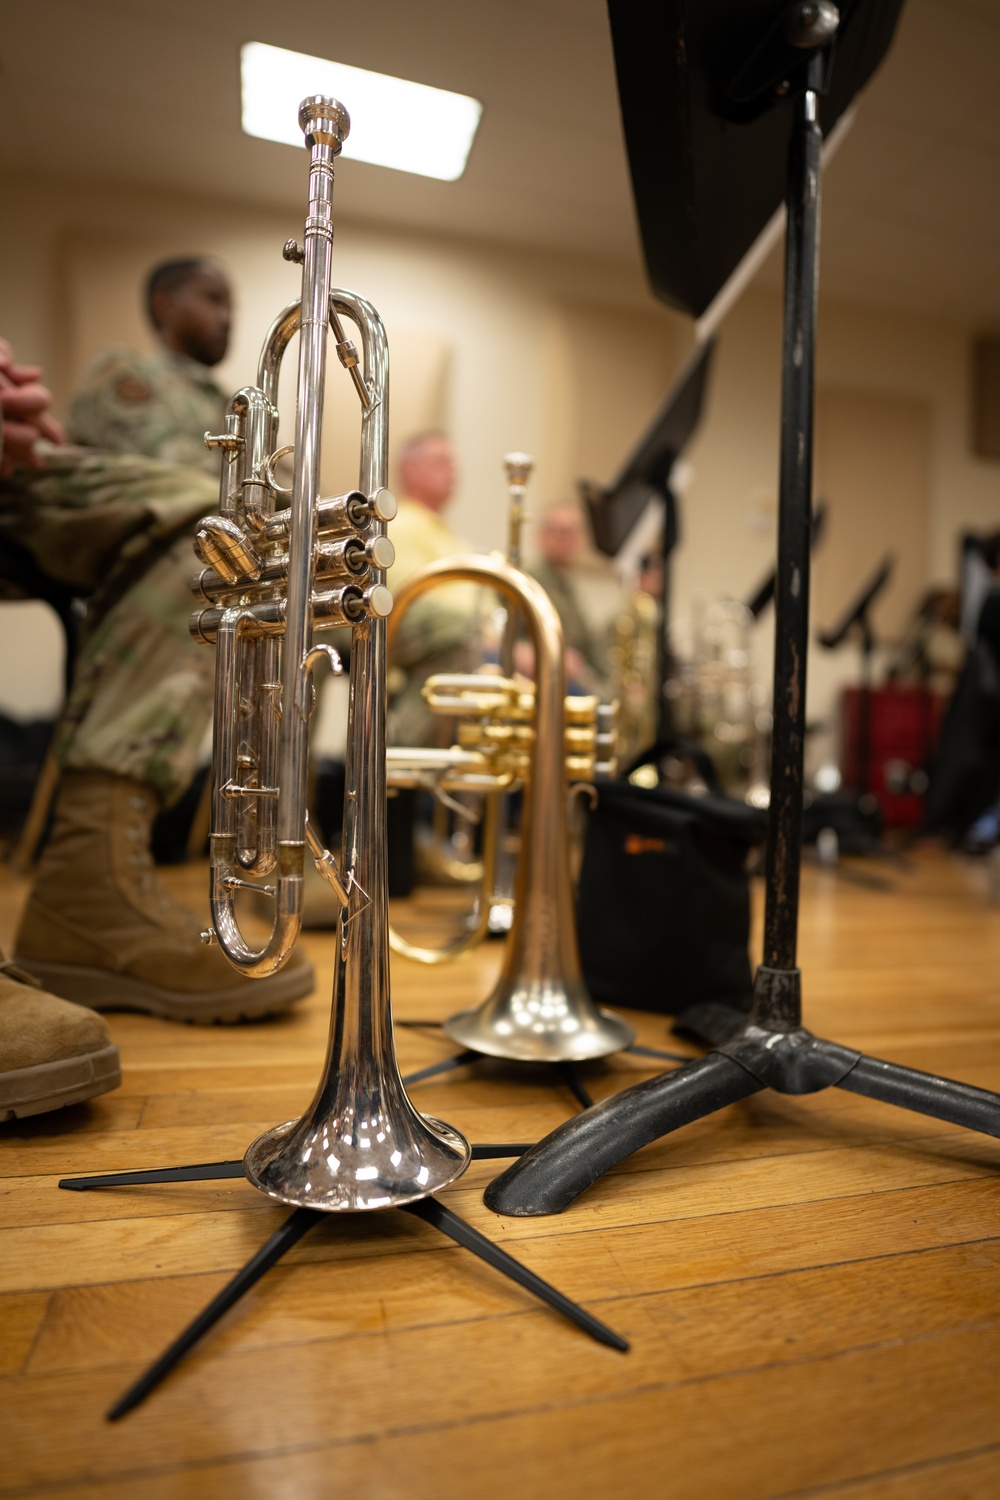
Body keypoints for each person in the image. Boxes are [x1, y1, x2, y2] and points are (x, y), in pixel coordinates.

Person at [0, 327, 313, 1037]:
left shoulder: (215, 390)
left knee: (251, 544)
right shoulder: (129, 369)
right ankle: (90, 873)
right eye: (208, 296)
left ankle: (112, 880)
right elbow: (158, 461)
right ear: (164, 305)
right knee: (219, 531)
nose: (225, 314)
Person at [65, 257, 231, 472]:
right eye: (213, 300)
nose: (227, 318)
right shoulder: (123, 370)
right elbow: (172, 467)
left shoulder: (224, 399)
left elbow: (279, 474)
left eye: (231, 306)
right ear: (165, 306)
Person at [387, 431, 479, 746]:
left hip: (470, 639)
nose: (454, 473)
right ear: (410, 470)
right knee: (460, 633)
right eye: (442, 462)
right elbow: (409, 598)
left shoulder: (455, 539)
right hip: (408, 631)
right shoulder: (398, 524)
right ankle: (406, 762)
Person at [528, 503, 606, 694]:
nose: (564, 539)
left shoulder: (570, 589)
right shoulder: (530, 581)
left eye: (570, 532)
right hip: (548, 680)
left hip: (578, 677)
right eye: (557, 531)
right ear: (541, 537)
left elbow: (591, 648)